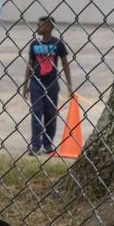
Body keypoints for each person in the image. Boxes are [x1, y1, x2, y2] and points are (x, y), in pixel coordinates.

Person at [21, 16, 73, 155]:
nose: (37, 28)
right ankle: (36, 146)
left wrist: (69, 86)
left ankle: (48, 144)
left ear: (49, 27)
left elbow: (65, 65)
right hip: (36, 83)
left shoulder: (58, 44)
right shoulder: (34, 44)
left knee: (51, 114)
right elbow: (30, 64)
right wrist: (25, 85)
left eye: (40, 25)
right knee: (37, 113)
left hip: (52, 84)